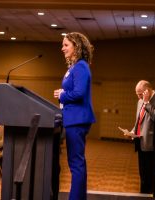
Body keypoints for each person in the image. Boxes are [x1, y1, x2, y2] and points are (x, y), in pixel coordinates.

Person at [53, 32, 96, 200]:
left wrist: (62, 95)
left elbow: (79, 92)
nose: (62, 48)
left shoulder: (81, 66)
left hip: (77, 119)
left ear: (76, 46)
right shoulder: (74, 66)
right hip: (73, 118)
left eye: (66, 45)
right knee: (76, 163)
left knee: (76, 163)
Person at [125, 80, 155, 197]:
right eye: (137, 94)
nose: (138, 97)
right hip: (141, 142)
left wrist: (147, 102)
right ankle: (143, 195)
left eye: (140, 94)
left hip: (154, 145)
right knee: (143, 174)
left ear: (147, 91)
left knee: (154, 175)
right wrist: (132, 132)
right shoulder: (140, 101)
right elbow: (139, 121)